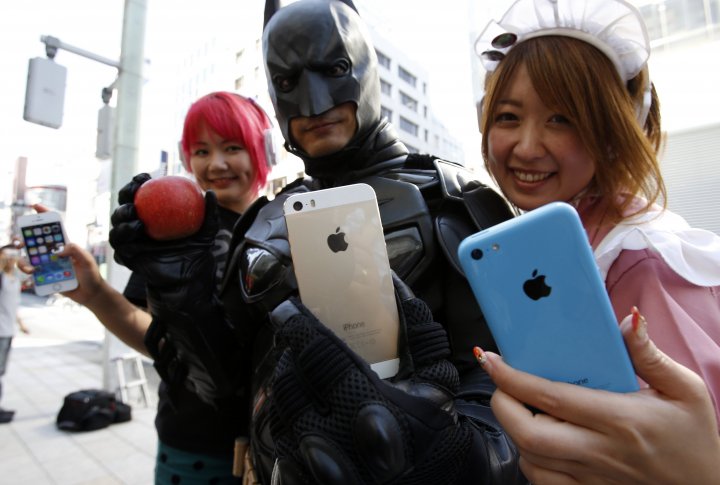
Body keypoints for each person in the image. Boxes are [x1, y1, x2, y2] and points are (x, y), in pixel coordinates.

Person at [110, 1, 528, 484]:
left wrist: (452, 453)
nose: (313, 103)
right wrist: (178, 281)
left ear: (365, 69)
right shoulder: (266, 220)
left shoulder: (450, 200)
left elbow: (513, 379)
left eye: (333, 69)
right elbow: (225, 384)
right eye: (288, 83)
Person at [471, 0, 720, 482]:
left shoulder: (643, 258)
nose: (525, 146)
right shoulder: (558, 243)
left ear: (609, 133)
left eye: (560, 119)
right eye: (507, 116)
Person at [58, 91, 273, 483]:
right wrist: (93, 293)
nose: (217, 163)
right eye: (201, 150)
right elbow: (154, 335)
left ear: (263, 149)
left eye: (232, 147)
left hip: (278, 442)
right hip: (190, 444)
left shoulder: (285, 225)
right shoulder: (175, 232)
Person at [0, 243, 30, 424]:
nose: (11, 258)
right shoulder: (1, 277)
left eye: (14, 254)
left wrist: (21, 324)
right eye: (7, 255)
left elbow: (12, 305)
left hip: (8, 331)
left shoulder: (13, 278)